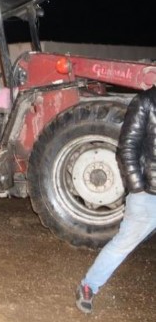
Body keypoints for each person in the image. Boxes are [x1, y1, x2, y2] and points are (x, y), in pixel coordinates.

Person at [75, 87, 156, 314]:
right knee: (122, 244)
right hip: (149, 195)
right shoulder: (146, 102)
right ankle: (88, 286)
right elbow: (127, 147)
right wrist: (138, 188)